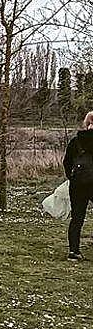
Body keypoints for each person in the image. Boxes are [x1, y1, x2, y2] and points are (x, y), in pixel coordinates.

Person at [63, 111, 93, 261]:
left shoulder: (76, 141)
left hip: (78, 184)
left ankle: (74, 251)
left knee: (77, 218)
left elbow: (66, 162)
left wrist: (72, 178)